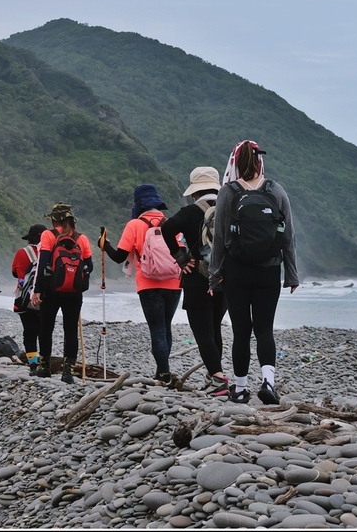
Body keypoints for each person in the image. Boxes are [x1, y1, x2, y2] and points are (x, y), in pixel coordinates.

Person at [208, 141, 299, 405]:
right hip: (269, 270)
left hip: (236, 270)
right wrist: (291, 275)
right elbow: (288, 237)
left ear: (235, 162)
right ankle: (268, 383)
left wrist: (215, 276)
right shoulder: (275, 189)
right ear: (260, 161)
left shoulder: (228, 192)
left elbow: (219, 238)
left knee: (241, 331)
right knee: (264, 329)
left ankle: (239, 388)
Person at [101, 184, 182, 383]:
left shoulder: (135, 225)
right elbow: (181, 253)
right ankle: (162, 370)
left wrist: (105, 245)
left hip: (148, 284)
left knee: (157, 329)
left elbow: (120, 257)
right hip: (174, 283)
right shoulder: (172, 223)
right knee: (166, 327)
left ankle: (163, 372)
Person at [161, 166, 231, 396]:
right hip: (223, 279)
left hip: (197, 279)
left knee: (202, 332)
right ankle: (215, 376)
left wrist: (180, 256)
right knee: (214, 329)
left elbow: (166, 228)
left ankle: (218, 379)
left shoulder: (190, 211)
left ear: (194, 192)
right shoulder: (229, 209)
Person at [31, 204, 94, 383]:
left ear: (54, 220)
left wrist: (37, 290)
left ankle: (44, 367)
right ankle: (68, 371)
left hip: (51, 290)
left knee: (46, 327)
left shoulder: (48, 235)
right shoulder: (82, 239)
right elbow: (90, 266)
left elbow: (42, 264)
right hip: (74, 292)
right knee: (70, 330)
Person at [12, 223, 47, 373]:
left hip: (25, 300)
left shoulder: (22, 253)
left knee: (29, 331)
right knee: (44, 331)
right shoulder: (49, 252)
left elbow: (15, 272)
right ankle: (45, 363)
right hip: (44, 298)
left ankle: (33, 363)